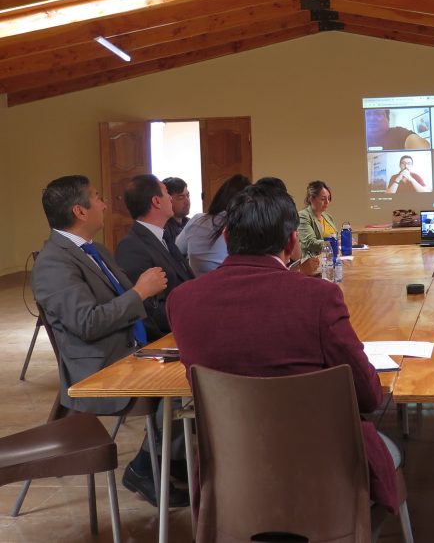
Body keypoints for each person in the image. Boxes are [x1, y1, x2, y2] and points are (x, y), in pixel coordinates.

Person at [166, 184, 398, 513]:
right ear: (292, 242)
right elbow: (369, 396)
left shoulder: (182, 300)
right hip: (321, 469)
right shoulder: (318, 297)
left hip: (229, 471)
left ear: (228, 238)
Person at [31, 175, 190, 508]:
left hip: (130, 348)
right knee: (187, 383)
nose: (105, 203)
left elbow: (133, 306)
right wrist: (139, 291)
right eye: (97, 197)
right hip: (101, 366)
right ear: (80, 210)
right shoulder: (53, 263)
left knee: (198, 366)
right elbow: (87, 323)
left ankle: (172, 460)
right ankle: (146, 466)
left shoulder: (95, 250)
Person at [115, 174, 194, 335]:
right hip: (169, 336)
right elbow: (145, 309)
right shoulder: (131, 247)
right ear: (156, 201)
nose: (171, 199)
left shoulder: (163, 236)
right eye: (166, 193)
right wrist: (195, 318)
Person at [175, 174, 251, 276]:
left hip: (196, 285)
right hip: (230, 285)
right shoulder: (241, 226)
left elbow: (176, 250)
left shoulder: (196, 219)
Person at [297, 180, 337, 262]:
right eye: (323, 199)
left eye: (329, 199)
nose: (327, 202)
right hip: (313, 262)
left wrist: (342, 239)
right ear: (311, 198)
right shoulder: (302, 216)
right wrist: (335, 243)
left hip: (330, 259)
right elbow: (310, 243)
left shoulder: (328, 217)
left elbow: (334, 236)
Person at [365, 108, 430, 150]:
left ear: (388, 119)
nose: (371, 118)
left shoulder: (398, 133)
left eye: (378, 114)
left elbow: (421, 147)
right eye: (367, 114)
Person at [161, 177, 190, 241]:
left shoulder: (191, 223)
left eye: (188, 196)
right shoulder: (162, 228)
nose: (187, 201)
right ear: (168, 199)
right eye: (181, 197)